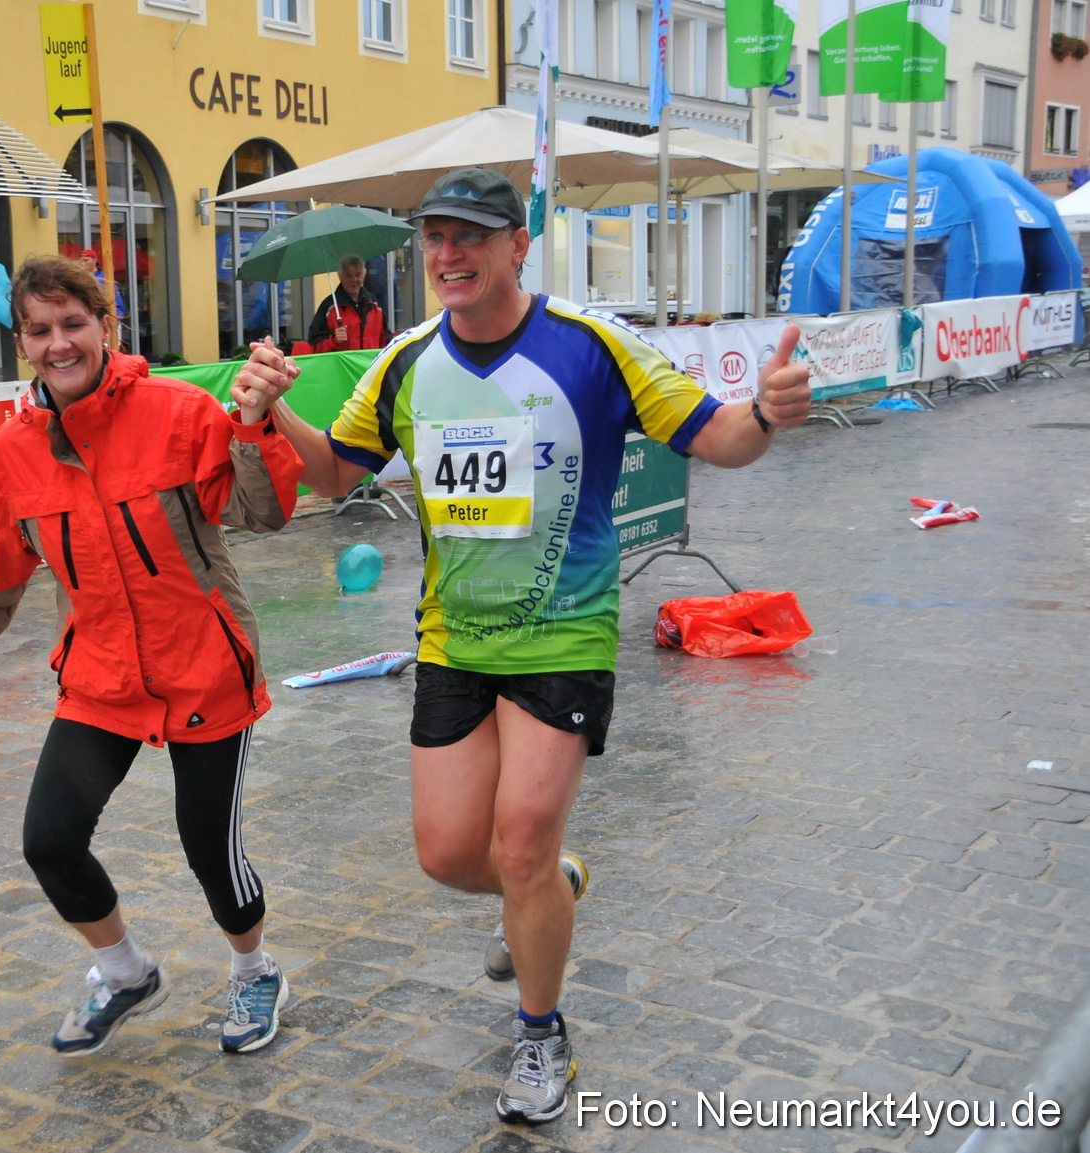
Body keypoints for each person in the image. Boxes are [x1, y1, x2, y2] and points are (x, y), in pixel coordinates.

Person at [239, 168, 813, 1124]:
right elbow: (335, 473)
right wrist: (272, 414)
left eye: (469, 234)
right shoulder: (406, 359)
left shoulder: (590, 345)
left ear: (516, 246)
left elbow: (717, 440)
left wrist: (765, 414)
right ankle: (553, 883)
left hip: (563, 633)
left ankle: (541, 1035)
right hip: (452, 641)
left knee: (518, 839)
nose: (447, 254)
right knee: (447, 853)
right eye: (433, 237)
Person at [0, 255, 304, 1059]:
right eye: (40, 329)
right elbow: (1, 546)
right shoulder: (13, 447)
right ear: (22, 341)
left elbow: (263, 509)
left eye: (74, 323)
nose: (59, 342)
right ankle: (126, 971)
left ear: (107, 326)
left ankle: (253, 966)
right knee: (49, 839)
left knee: (209, 848)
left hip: (203, 662)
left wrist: (250, 423)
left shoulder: (176, 410)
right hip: (100, 672)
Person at [306, 254, 387, 353]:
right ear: (340, 277)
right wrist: (333, 340)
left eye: (358, 275)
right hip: (341, 368)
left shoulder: (374, 305)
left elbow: (386, 340)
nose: (354, 280)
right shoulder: (329, 306)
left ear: (363, 276)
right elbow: (313, 346)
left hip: (371, 366)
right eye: (348, 275)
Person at [77, 248, 126, 322]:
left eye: (86, 260)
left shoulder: (104, 278)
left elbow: (116, 301)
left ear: (94, 260)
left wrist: (116, 315)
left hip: (104, 318)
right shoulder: (78, 279)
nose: (82, 263)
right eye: (80, 261)